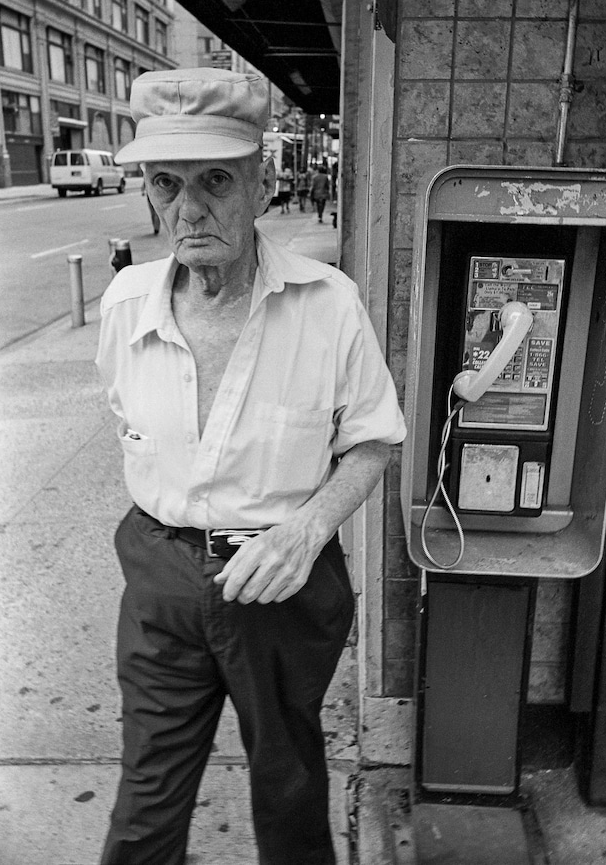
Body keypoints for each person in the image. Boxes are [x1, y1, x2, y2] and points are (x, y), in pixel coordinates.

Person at [95, 67, 406, 865]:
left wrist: (308, 529)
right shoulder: (127, 303)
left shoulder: (327, 302)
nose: (189, 208)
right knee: (145, 795)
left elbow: (372, 439)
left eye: (216, 180)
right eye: (167, 182)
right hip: (161, 574)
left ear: (262, 184)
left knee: (291, 784)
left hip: (282, 584)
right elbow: (128, 420)